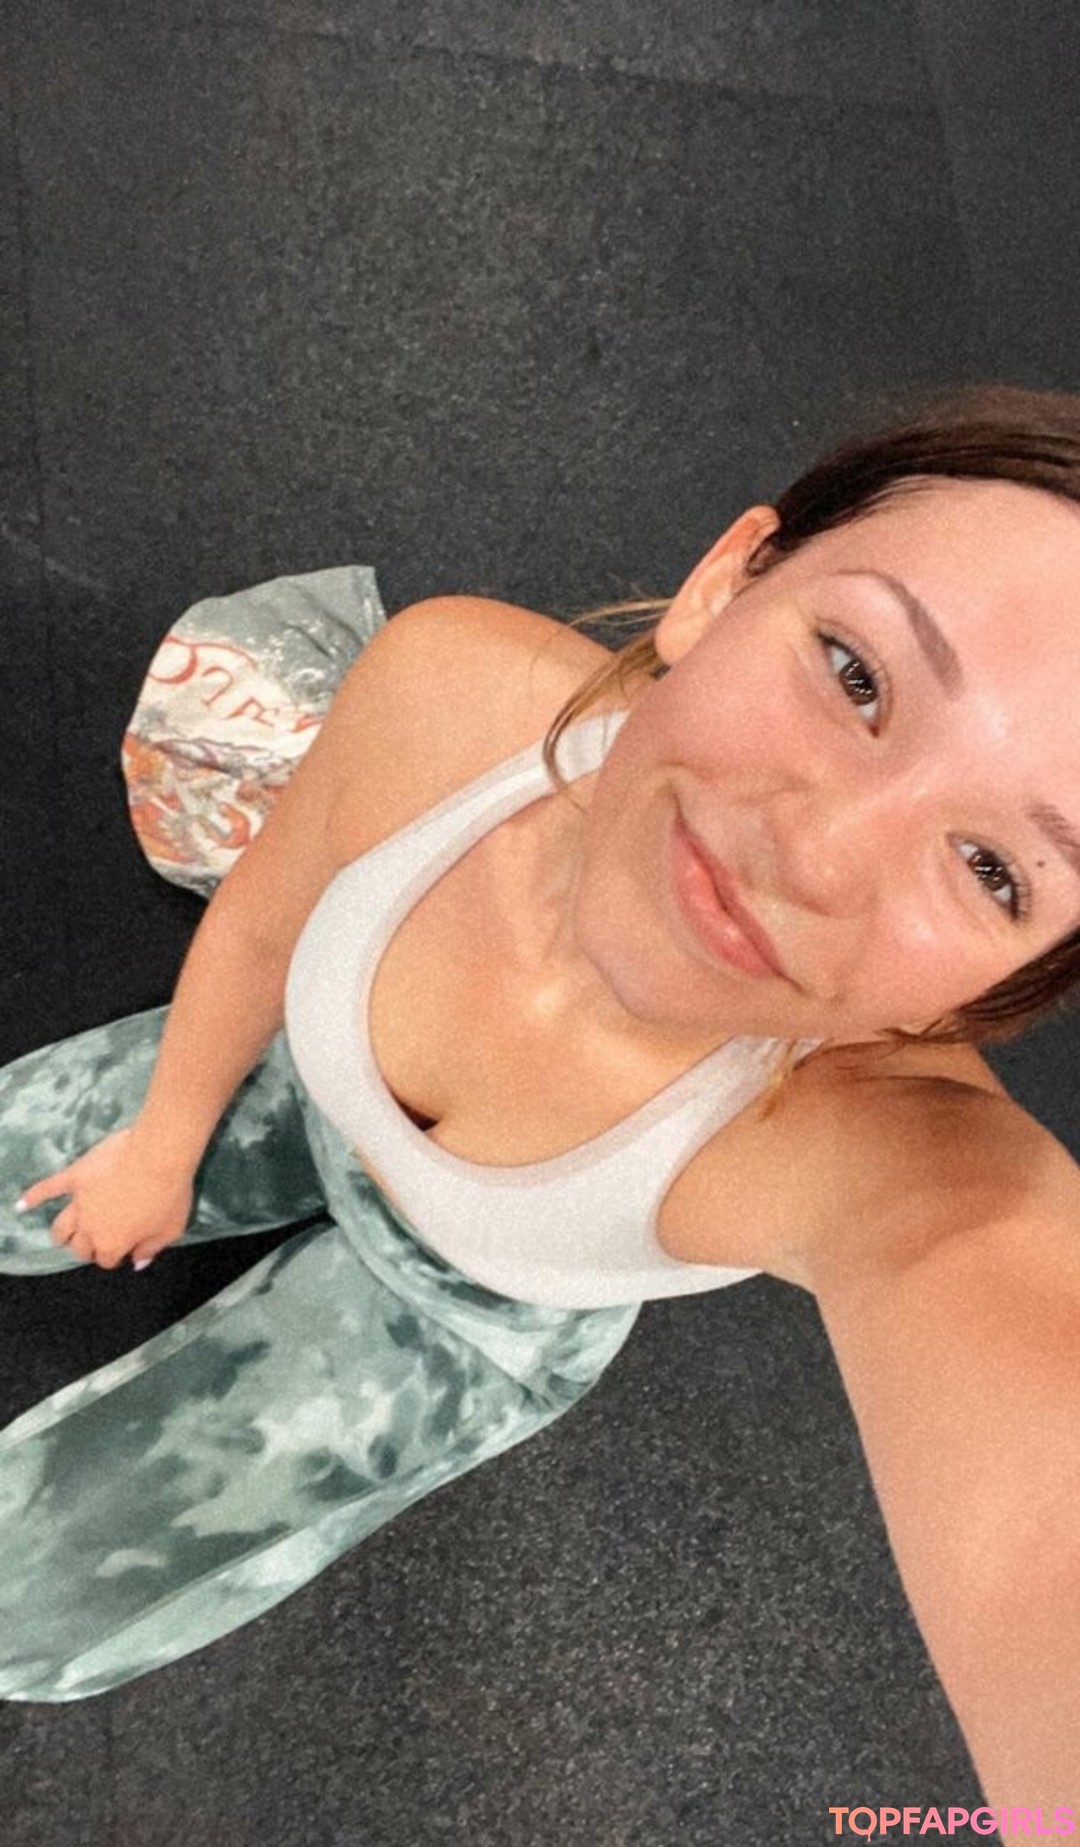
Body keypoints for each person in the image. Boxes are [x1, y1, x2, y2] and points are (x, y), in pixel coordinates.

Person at [1, 382, 1079, 1822]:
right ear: (724, 583)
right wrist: (164, 1138)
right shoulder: (448, 686)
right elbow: (263, 918)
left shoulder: (879, 1147)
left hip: (465, 1315)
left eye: (996, 872)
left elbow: (1016, 1370)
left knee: (30, 1593)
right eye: (857, 673)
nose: (814, 857)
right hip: (290, 1077)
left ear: (1011, 985)